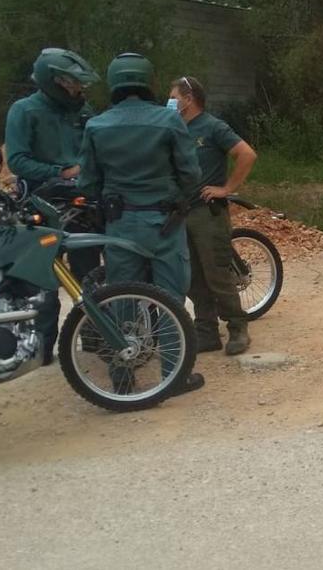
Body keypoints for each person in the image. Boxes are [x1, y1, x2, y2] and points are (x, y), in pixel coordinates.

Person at [77, 53, 206, 395]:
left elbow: (87, 184)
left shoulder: (96, 126)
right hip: (165, 223)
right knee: (170, 298)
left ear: (114, 83)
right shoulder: (169, 121)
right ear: (147, 81)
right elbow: (192, 175)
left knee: (121, 299)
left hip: (119, 225)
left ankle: (121, 377)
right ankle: (173, 376)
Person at [4, 47, 101, 364]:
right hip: (41, 205)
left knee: (89, 272)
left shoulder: (83, 110)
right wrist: (59, 172)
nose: (79, 89)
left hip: (81, 203)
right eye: (72, 84)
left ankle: (94, 336)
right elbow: (17, 160)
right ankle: (43, 347)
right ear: (53, 82)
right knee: (45, 280)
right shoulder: (25, 111)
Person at [167, 76, 258, 355]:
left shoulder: (212, 126)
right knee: (193, 276)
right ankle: (205, 330)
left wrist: (227, 188)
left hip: (207, 213)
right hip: (182, 213)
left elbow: (246, 154)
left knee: (217, 272)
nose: (170, 103)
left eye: (173, 97)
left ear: (189, 98)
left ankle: (237, 327)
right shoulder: (174, 129)